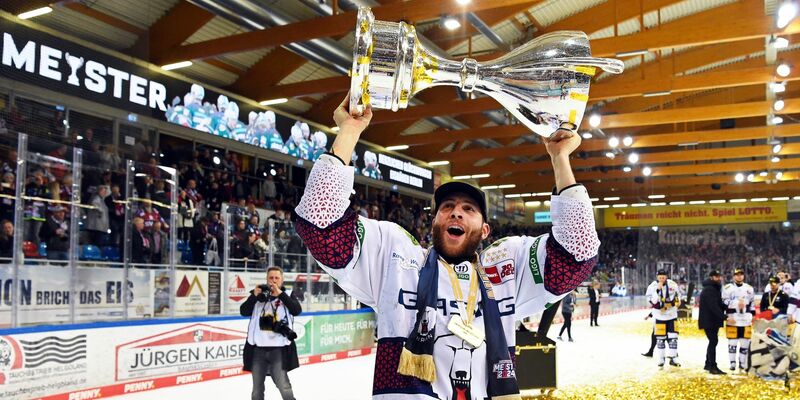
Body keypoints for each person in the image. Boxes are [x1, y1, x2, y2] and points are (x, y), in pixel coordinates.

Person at [293, 95, 599, 399]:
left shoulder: (504, 269)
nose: (456, 212)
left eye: (469, 209)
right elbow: (321, 224)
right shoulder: (396, 258)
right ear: (435, 222)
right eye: (448, 207)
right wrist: (348, 132)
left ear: (485, 230)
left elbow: (578, 253)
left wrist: (560, 158)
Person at [241, 266, 302, 400]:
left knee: (284, 386)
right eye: (271, 278)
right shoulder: (258, 296)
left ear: (282, 280)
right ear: (266, 279)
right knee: (257, 390)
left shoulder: (288, 295)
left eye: (276, 278)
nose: (273, 281)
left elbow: (296, 310)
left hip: (278, 350)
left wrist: (281, 294)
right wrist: (254, 296)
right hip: (258, 350)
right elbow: (243, 311)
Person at [646, 270, 682, 369]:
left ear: (666, 277)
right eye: (660, 277)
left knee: (673, 337)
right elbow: (650, 301)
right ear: (657, 277)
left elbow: (678, 296)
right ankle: (661, 358)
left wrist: (677, 302)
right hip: (659, 316)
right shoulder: (652, 286)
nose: (662, 279)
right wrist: (657, 290)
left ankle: (674, 358)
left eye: (663, 277)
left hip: (672, 315)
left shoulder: (673, 285)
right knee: (660, 339)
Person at [721, 268, 755, 372]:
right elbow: (724, 301)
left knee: (745, 342)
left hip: (746, 318)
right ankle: (732, 363)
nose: (739, 276)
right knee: (733, 342)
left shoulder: (749, 288)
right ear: (733, 276)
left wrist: (753, 315)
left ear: (743, 276)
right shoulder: (727, 288)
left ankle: (742, 363)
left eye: (741, 274)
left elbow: (752, 303)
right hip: (733, 317)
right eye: (737, 274)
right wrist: (736, 303)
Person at [698, 270, 726, 375]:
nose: (718, 278)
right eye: (716, 277)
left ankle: (708, 364)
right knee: (713, 341)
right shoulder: (710, 289)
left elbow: (718, 304)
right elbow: (713, 306)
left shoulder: (714, 288)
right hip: (709, 320)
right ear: (711, 277)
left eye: (719, 276)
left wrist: (728, 306)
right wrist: (724, 317)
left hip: (711, 320)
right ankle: (713, 366)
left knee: (713, 341)